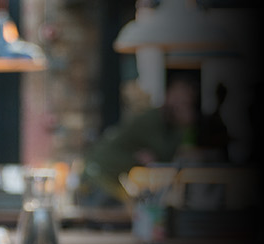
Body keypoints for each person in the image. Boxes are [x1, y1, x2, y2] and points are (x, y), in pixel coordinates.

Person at [79, 72, 199, 207]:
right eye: (179, 98)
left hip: (107, 176)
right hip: (99, 173)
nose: (182, 103)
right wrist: (185, 126)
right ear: (168, 94)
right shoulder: (153, 119)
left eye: (187, 101)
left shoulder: (167, 125)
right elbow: (165, 157)